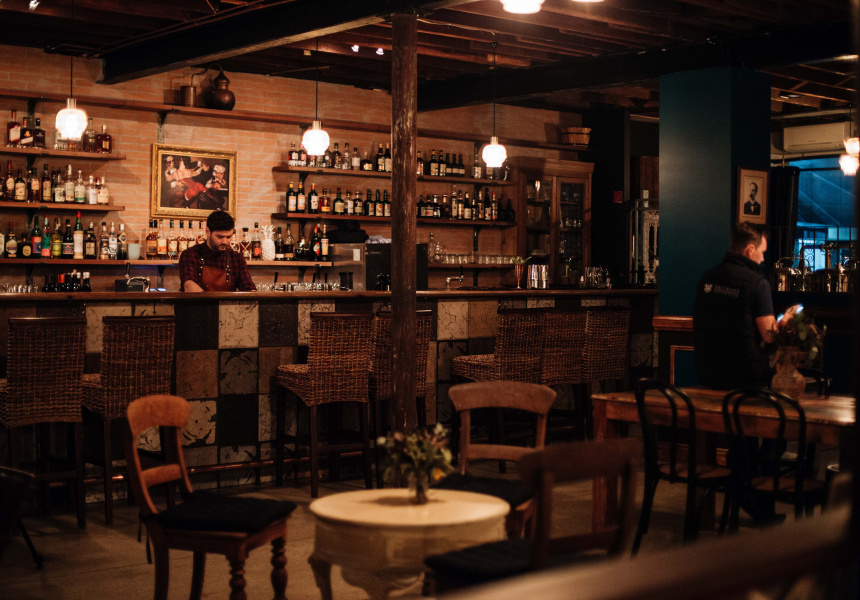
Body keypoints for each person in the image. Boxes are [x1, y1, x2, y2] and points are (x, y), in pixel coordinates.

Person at [693, 223, 798, 524]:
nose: (764, 259)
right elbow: (768, 335)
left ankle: (746, 489)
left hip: (709, 376)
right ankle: (752, 491)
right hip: (747, 380)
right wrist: (785, 321)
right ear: (750, 250)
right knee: (780, 427)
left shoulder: (707, 278)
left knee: (743, 440)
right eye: (762, 252)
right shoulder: (756, 283)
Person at [178, 211, 255, 292]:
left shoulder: (237, 259)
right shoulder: (190, 254)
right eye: (220, 237)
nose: (225, 241)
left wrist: (254, 295)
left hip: (225, 301)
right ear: (208, 232)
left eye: (229, 237)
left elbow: (249, 288)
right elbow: (189, 285)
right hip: (197, 300)